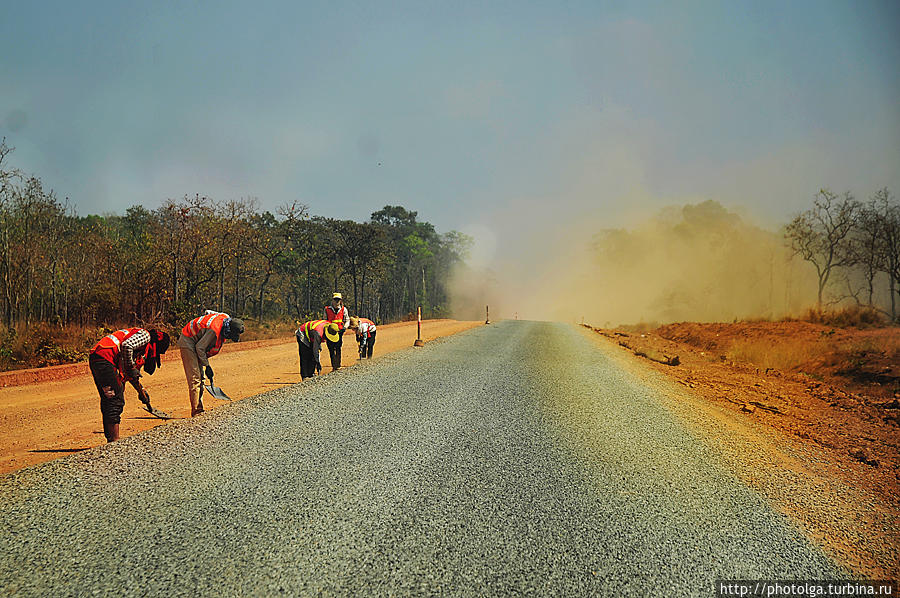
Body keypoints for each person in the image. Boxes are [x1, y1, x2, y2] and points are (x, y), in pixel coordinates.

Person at [89, 327, 171, 442]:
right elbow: (127, 346)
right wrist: (131, 368)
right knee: (115, 399)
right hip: (105, 357)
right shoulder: (145, 336)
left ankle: (110, 439)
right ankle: (114, 441)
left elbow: (130, 374)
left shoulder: (138, 346)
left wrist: (141, 392)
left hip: (98, 357)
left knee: (109, 397)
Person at [177, 311, 244, 416]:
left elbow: (208, 312)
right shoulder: (214, 330)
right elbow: (200, 348)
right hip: (188, 340)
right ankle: (196, 411)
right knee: (195, 378)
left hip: (197, 341)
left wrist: (203, 327)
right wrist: (207, 366)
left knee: (202, 378)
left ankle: (200, 407)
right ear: (229, 330)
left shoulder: (225, 317)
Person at [324, 292, 350, 370]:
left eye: (338, 300)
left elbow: (347, 320)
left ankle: (338, 365)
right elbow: (324, 320)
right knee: (331, 349)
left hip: (339, 332)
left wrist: (344, 328)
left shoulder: (343, 309)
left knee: (338, 348)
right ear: (332, 300)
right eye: (335, 300)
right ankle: (334, 366)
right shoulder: (327, 309)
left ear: (341, 301)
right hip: (329, 333)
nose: (337, 302)